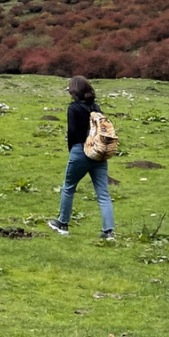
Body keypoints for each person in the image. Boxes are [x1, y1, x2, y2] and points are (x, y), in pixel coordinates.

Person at [48, 75, 114, 240]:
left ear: (74, 91)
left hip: (80, 151)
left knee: (69, 187)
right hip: (99, 153)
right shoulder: (96, 108)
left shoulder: (73, 108)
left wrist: (72, 150)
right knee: (103, 193)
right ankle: (109, 232)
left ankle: (62, 224)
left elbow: (73, 132)